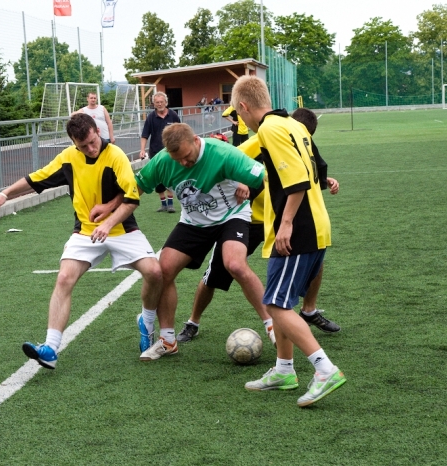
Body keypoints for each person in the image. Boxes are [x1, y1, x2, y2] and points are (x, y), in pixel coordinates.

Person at [0, 113, 163, 370]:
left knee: (155, 272)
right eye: (83, 146)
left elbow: (132, 198)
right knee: (64, 278)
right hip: (84, 232)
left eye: (93, 142)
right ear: (74, 143)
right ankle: (50, 349)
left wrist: (108, 223)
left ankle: (146, 323)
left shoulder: (116, 155)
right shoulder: (68, 158)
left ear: (97, 131)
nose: (91, 149)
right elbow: (36, 178)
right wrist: (5, 194)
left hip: (121, 229)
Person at [177, 110, 341, 344]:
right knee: (216, 273)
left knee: (315, 257)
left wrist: (325, 180)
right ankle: (193, 321)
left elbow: (303, 171)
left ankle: (308, 310)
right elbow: (230, 158)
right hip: (249, 220)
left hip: (282, 220)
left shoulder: (300, 140)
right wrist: (242, 179)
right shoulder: (264, 137)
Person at [231, 75, 346, 407]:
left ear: (244, 107)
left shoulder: (270, 129)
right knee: (277, 301)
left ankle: (325, 369)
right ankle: (284, 370)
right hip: (313, 223)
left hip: (299, 229)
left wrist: (285, 224)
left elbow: (296, 180)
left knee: (277, 306)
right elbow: (317, 169)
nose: (239, 119)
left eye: (237, 113)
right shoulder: (294, 124)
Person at [134, 123, 266, 362]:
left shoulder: (221, 152)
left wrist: (245, 183)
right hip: (193, 222)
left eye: (187, 156)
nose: (184, 163)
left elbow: (262, 177)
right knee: (163, 271)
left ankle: (274, 326)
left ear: (195, 140)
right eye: (178, 159)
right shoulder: (162, 161)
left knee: (235, 265)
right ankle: (167, 340)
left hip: (231, 215)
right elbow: (134, 189)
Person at [140, 91, 180, 212]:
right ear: (154, 104)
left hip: (171, 151)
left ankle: (170, 204)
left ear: (166, 102)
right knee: (158, 178)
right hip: (156, 152)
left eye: (161, 102)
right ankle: (163, 204)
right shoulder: (151, 117)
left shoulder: (173, 115)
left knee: (170, 176)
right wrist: (142, 150)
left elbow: (180, 131)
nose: (159, 104)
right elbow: (145, 135)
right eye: (157, 102)